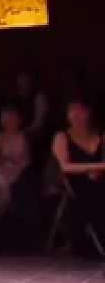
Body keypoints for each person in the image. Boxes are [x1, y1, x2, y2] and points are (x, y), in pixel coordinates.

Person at [51, 97, 105, 254]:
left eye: (80, 110)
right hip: (74, 184)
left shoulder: (101, 135)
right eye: (71, 111)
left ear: (88, 112)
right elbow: (65, 167)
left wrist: (98, 171)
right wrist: (95, 168)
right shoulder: (61, 137)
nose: (75, 115)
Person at [0, 105, 30, 217]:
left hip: (17, 170)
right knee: (0, 178)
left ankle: (7, 208)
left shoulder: (22, 138)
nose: (8, 122)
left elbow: (26, 160)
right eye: (5, 118)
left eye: (11, 118)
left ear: (18, 120)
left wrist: (14, 162)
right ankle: (3, 206)